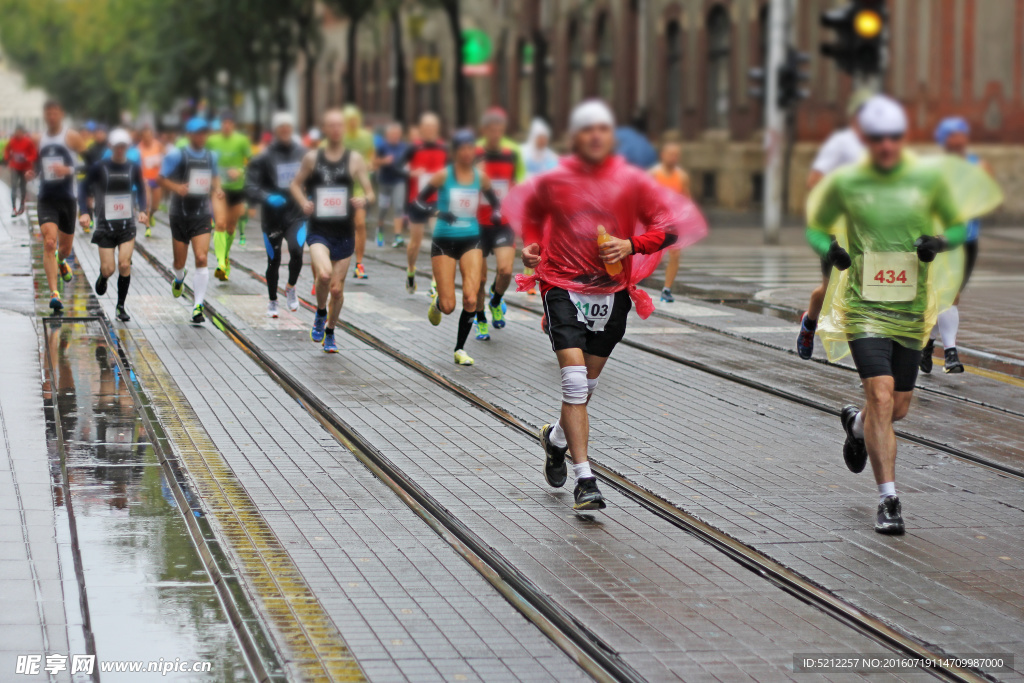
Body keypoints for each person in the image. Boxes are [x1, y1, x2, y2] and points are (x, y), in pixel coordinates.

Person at [807, 95, 1001, 534]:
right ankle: (889, 500)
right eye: (878, 139)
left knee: (896, 408)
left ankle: (855, 427)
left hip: (912, 312)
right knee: (879, 395)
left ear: (903, 138)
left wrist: (940, 242)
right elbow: (816, 226)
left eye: (894, 138)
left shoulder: (925, 180)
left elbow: (957, 224)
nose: (887, 146)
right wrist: (831, 249)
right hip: (864, 308)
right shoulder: (847, 182)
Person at [506, 100, 706, 510]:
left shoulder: (631, 182)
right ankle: (586, 480)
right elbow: (532, 213)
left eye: (602, 129)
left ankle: (556, 440)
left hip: (611, 293)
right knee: (575, 383)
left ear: (610, 136)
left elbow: (667, 230)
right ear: (575, 138)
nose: (595, 135)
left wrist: (630, 244)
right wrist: (532, 246)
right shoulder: (554, 181)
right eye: (587, 129)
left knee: (586, 387)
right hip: (561, 285)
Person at [414, 129, 503, 366]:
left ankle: (459, 349)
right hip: (444, 241)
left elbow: (495, 203)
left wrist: (496, 213)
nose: (467, 152)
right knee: (449, 306)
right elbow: (419, 202)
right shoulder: (443, 176)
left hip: (471, 240)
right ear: (455, 152)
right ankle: (438, 303)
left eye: (470, 147)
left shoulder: (480, 177)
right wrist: (440, 212)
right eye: (462, 148)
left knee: (472, 298)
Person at [290, 109, 375, 353]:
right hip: (318, 229)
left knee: (337, 290)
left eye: (340, 126)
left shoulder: (355, 159)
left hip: (344, 231)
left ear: (344, 130)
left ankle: (330, 330)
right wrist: (304, 203)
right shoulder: (312, 158)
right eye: (332, 126)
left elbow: (369, 192)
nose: (336, 129)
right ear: (325, 129)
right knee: (324, 275)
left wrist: (363, 200)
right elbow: (295, 184)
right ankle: (320, 311)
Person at [796, 88, 871, 360]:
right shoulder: (841, 143)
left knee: (872, 286)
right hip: (837, 227)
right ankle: (810, 322)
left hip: (870, 228)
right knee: (829, 288)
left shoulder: (884, 148)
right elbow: (813, 181)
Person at [922, 117, 996, 374]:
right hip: (942, 239)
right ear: (943, 139)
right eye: (951, 134)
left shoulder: (978, 165)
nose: (957, 139)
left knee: (952, 296)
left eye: (961, 134)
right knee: (947, 294)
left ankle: (928, 345)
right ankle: (951, 353)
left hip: (967, 239)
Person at [78, 128, 147, 322]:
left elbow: (141, 189)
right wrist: (84, 211)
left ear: (126, 148)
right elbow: (83, 187)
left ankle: (120, 306)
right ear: (111, 147)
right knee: (109, 268)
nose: (120, 150)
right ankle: (103, 277)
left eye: (123, 147)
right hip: (105, 226)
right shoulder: (100, 167)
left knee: (124, 264)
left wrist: (143, 210)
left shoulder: (133, 167)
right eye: (116, 147)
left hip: (127, 225)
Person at [158, 117, 222, 324]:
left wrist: (218, 189)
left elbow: (215, 176)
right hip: (179, 213)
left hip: (202, 213)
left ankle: (198, 306)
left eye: (204, 133)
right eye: (198, 133)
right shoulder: (177, 155)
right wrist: (177, 188)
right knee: (179, 262)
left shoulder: (211, 156)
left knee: (202, 258)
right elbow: (161, 178)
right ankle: (179, 277)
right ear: (190, 135)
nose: (201, 137)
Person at [246, 112, 307, 318]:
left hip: (296, 214)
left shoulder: (303, 153)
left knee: (297, 252)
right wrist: (267, 197)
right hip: (272, 217)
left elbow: (315, 177)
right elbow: (250, 186)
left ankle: (290, 287)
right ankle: (273, 300)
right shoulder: (263, 157)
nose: (285, 131)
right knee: (274, 261)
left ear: (292, 130)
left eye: (288, 128)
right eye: (281, 128)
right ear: (275, 130)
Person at [30, 100, 88, 313]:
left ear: (61, 114)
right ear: (45, 116)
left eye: (55, 113)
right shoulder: (40, 139)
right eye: (48, 114)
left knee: (63, 249)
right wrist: (33, 172)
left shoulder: (71, 137)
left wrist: (69, 170)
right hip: (46, 198)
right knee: (49, 242)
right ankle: (55, 293)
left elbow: (90, 164)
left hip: (67, 199)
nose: (52, 117)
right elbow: (38, 164)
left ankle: (61, 261)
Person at [474, 107, 523, 340]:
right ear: (484, 130)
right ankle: (481, 319)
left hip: (503, 222)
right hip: (476, 225)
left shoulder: (511, 154)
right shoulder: (473, 154)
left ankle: (495, 299)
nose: (495, 134)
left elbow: (520, 183)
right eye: (491, 130)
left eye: (499, 130)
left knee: (505, 271)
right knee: (480, 278)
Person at [402, 112, 448, 294]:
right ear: (421, 129)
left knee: (439, 239)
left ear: (437, 129)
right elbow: (399, 167)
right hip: (417, 201)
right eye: (426, 127)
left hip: (437, 200)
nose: (429, 130)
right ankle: (411, 270)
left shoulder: (444, 148)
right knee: (415, 242)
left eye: (433, 127)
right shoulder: (413, 148)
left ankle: (435, 282)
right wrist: (411, 172)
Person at [207, 110, 252, 282]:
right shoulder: (212, 141)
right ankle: (221, 264)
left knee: (231, 228)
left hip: (237, 189)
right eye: (223, 122)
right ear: (220, 124)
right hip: (219, 189)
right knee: (220, 223)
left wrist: (240, 171)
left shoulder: (241, 141)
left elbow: (252, 163)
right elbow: (206, 161)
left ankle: (225, 256)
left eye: (229, 122)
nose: (226, 125)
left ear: (233, 125)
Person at [649, 139, 691, 303]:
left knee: (675, 253)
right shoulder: (653, 174)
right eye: (671, 154)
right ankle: (633, 282)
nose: (674, 157)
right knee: (647, 253)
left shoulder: (682, 177)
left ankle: (666, 289)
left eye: (677, 155)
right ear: (663, 155)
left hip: (673, 222)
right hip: (655, 221)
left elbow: (686, 200)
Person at [342, 105, 376, 279]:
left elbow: (372, 156)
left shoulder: (366, 137)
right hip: (341, 187)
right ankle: (338, 261)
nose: (353, 123)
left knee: (360, 224)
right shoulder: (338, 136)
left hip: (359, 186)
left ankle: (359, 264)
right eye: (349, 120)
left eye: (355, 120)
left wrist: (370, 163)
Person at [374, 122, 409, 248]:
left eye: (397, 134)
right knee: (383, 208)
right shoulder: (382, 146)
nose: (395, 136)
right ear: (387, 135)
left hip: (399, 180)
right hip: (385, 181)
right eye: (392, 134)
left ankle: (398, 235)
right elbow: (374, 162)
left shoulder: (404, 147)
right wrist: (384, 161)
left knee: (399, 206)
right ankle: (380, 228)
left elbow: (409, 160)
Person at [3, 125, 37, 217]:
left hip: (25, 168)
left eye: (20, 132)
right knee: (13, 186)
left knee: (23, 187)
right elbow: (7, 150)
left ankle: (22, 205)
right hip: (14, 166)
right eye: (16, 132)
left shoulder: (28, 141)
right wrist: (7, 158)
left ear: (23, 133)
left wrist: (28, 158)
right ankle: (13, 208)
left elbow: (33, 154)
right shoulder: (12, 141)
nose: (18, 134)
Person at [137, 125, 164, 237]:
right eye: (145, 136)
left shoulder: (158, 145)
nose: (147, 138)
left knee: (155, 206)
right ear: (142, 137)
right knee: (146, 203)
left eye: (149, 136)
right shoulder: (138, 148)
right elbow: (137, 165)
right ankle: (147, 227)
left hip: (157, 179)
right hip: (145, 180)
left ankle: (151, 215)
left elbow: (164, 159)